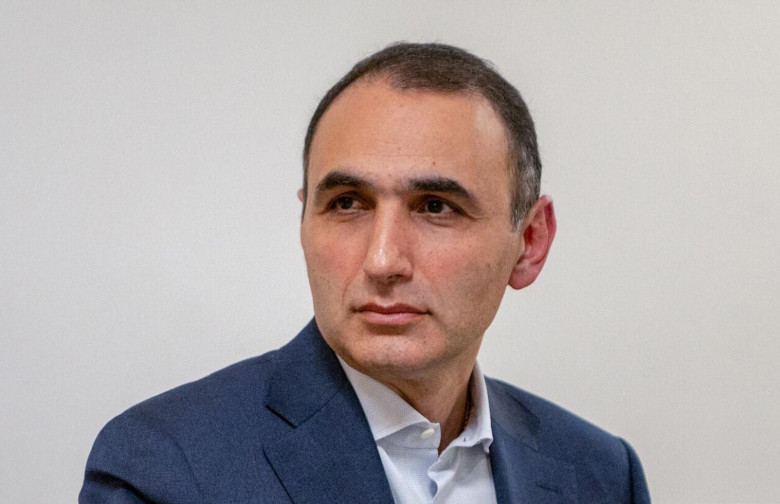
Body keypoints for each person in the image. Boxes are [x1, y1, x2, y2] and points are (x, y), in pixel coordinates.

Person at [80, 42, 650, 504]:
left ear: (529, 242)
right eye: (347, 204)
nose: (382, 260)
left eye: (435, 207)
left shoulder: (601, 474)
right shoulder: (163, 468)